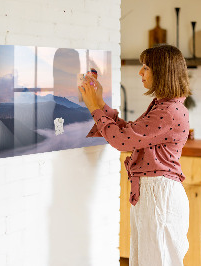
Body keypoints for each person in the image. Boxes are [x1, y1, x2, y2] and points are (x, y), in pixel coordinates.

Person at [79, 44, 191, 266]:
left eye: (146, 67)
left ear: (162, 72)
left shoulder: (168, 111)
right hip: (154, 194)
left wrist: (94, 108)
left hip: (159, 196)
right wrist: (100, 103)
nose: (140, 72)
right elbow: (129, 133)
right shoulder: (164, 106)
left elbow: (122, 141)